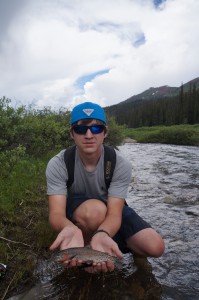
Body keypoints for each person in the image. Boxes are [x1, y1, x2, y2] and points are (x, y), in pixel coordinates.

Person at [46, 102, 165, 273]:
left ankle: (133, 257)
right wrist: (69, 228)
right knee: (95, 211)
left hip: (110, 208)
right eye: (81, 129)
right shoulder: (58, 164)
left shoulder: (119, 164)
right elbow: (56, 214)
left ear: (105, 132)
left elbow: (115, 213)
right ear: (72, 133)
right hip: (82, 211)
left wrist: (103, 233)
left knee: (155, 246)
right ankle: (87, 253)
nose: (89, 135)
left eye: (96, 129)